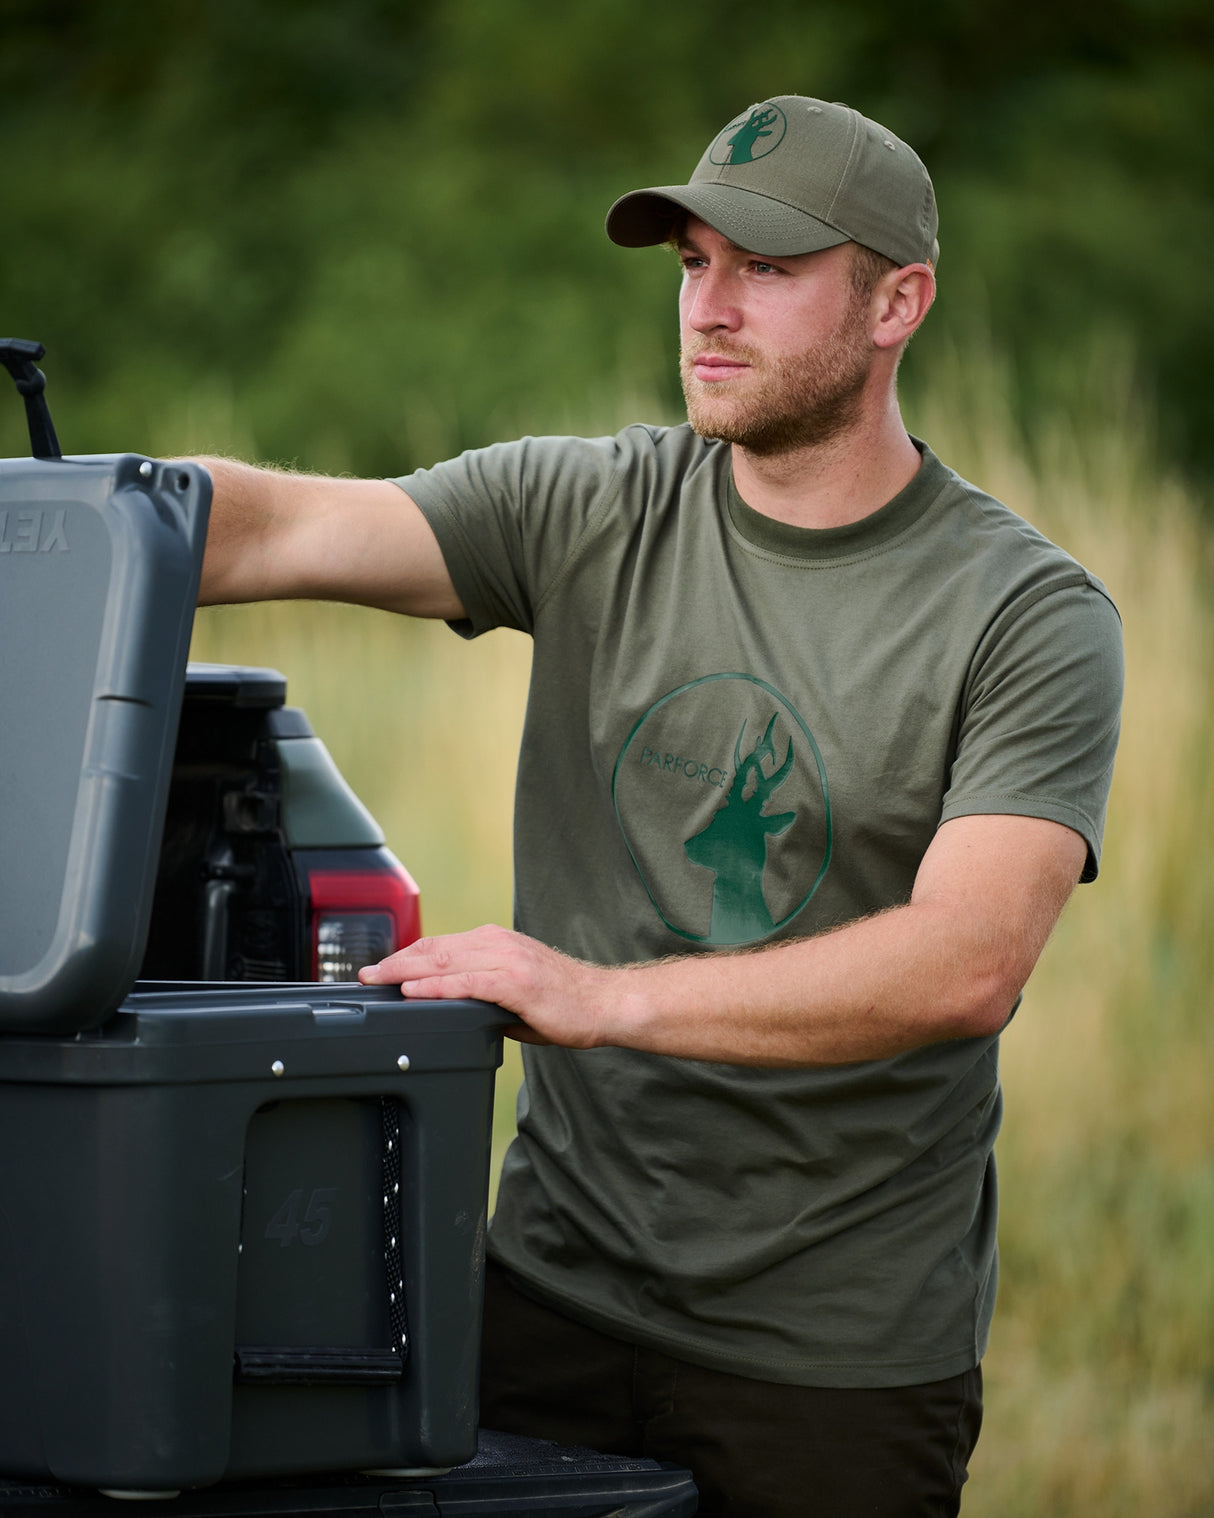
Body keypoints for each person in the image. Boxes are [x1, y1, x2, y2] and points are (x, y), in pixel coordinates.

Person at [198, 95, 1123, 1517]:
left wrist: (595, 994)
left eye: (765, 268)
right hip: (545, 1301)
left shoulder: (1022, 613)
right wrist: (77, 516)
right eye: (692, 263)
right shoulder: (594, 509)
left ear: (898, 301)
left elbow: (967, 960)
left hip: (830, 1361)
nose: (709, 307)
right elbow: (275, 523)